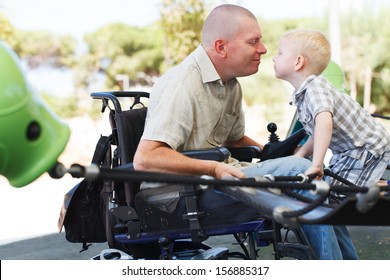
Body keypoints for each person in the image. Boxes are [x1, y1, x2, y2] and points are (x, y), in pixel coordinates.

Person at [134, 4, 347, 259]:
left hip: (220, 178)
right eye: (253, 41)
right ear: (222, 47)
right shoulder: (181, 85)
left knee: (326, 188)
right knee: (302, 171)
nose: (263, 49)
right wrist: (214, 169)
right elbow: (146, 158)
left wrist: (267, 151)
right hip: (181, 195)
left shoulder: (230, 83)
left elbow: (233, 139)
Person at [273, 28, 390, 259]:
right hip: (351, 152)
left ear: (297, 62)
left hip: (366, 149)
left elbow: (324, 124)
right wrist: (300, 156)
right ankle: (347, 262)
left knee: (331, 200)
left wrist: (316, 163)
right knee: (330, 206)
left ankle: (381, 187)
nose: (274, 58)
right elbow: (316, 131)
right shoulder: (305, 92)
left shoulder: (315, 88)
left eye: (279, 52)